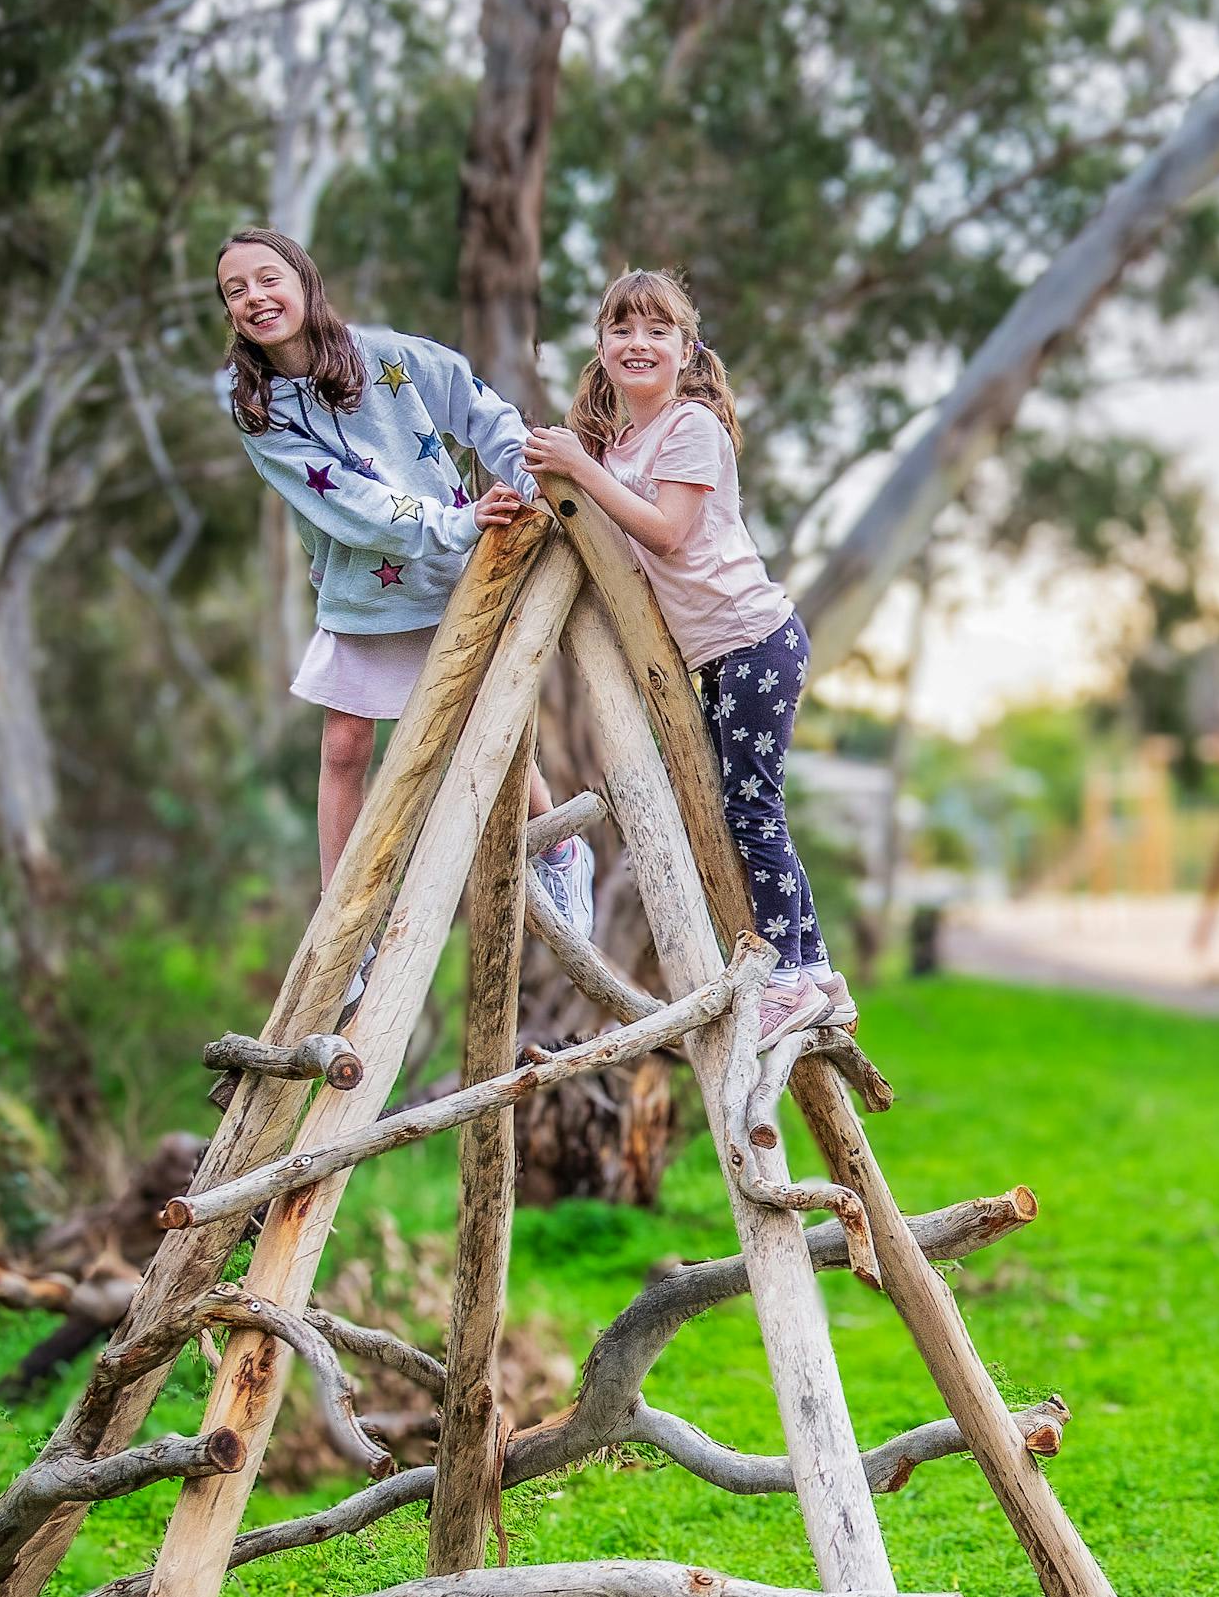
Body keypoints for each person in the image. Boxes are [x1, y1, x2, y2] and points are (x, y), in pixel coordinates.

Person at [209, 228, 594, 980]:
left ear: (303, 282)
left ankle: (558, 848)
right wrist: (451, 520)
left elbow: (480, 406)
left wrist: (520, 477)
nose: (255, 297)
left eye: (267, 279)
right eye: (235, 290)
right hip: (368, 586)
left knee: (491, 723)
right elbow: (350, 504)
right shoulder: (257, 410)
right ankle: (346, 923)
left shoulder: (384, 354)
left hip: (456, 571)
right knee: (345, 747)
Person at [523, 269, 848, 1050]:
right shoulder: (627, 443)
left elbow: (666, 531)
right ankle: (820, 972)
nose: (638, 344)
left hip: (754, 637)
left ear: (685, 348)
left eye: (656, 331)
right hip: (720, 655)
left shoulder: (691, 424)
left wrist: (581, 468)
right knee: (744, 803)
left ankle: (790, 978)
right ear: (601, 348)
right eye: (622, 330)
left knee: (750, 808)